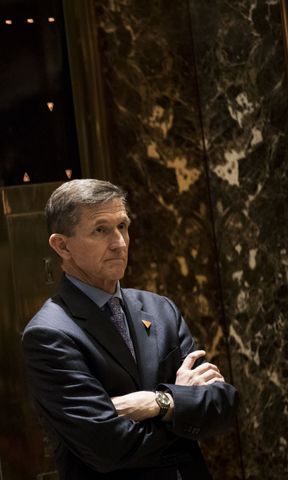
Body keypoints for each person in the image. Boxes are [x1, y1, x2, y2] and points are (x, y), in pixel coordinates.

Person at [21, 179, 238, 480]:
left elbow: (223, 406)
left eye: (122, 226)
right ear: (62, 245)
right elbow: (107, 447)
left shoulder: (160, 309)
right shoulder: (49, 334)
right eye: (101, 230)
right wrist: (182, 410)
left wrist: (157, 401)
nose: (119, 243)